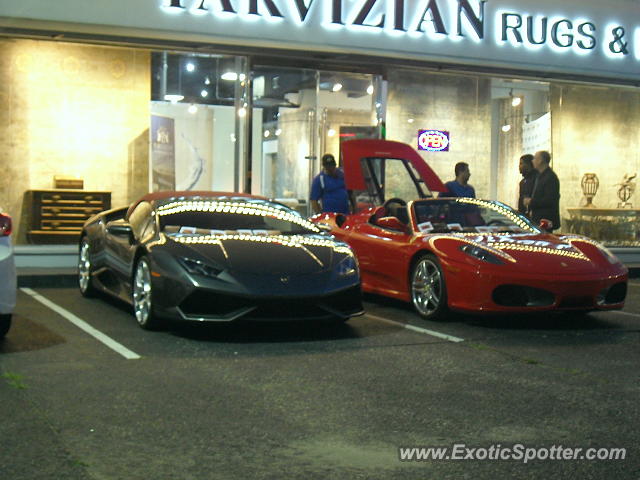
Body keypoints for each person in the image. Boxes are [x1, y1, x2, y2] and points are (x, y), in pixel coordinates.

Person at [523, 150, 560, 232]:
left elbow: (549, 200)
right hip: (538, 219)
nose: (532, 161)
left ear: (540, 161)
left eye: (535, 158)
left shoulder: (550, 178)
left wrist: (531, 201)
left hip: (545, 220)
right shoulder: (539, 176)